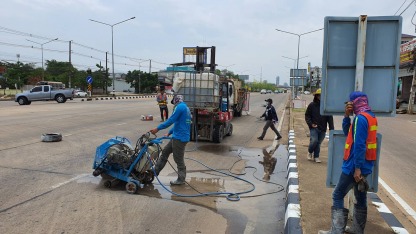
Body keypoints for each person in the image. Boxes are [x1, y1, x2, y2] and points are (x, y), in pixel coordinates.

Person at [319, 91, 378, 234]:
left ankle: (336, 231)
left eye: (350, 103)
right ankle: (357, 231)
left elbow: (359, 145)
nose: (349, 106)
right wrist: (346, 116)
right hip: (366, 165)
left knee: (338, 195)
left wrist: (356, 168)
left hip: (354, 167)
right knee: (360, 197)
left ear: (355, 102)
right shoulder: (371, 117)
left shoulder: (360, 119)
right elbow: (348, 133)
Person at [150, 95, 191, 185]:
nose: (174, 105)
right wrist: (169, 132)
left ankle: (181, 179)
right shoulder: (186, 108)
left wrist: (158, 128)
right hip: (178, 136)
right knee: (165, 152)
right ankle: (154, 172)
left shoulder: (179, 107)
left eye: (174, 103)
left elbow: (171, 120)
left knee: (178, 159)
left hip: (180, 138)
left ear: (176, 101)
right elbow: (178, 123)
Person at [305, 88, 334, 163]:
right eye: (320, 95)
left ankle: (316, 157)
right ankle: (310, 151)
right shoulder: (312, 105)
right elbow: (307, 115)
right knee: (314, 141)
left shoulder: (326, 106)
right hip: (314, 127)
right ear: (317, 96)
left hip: (323, 128)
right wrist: (311, 124)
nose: (321, 97)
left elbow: (330, 118)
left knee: (318, 143)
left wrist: (331, 129)